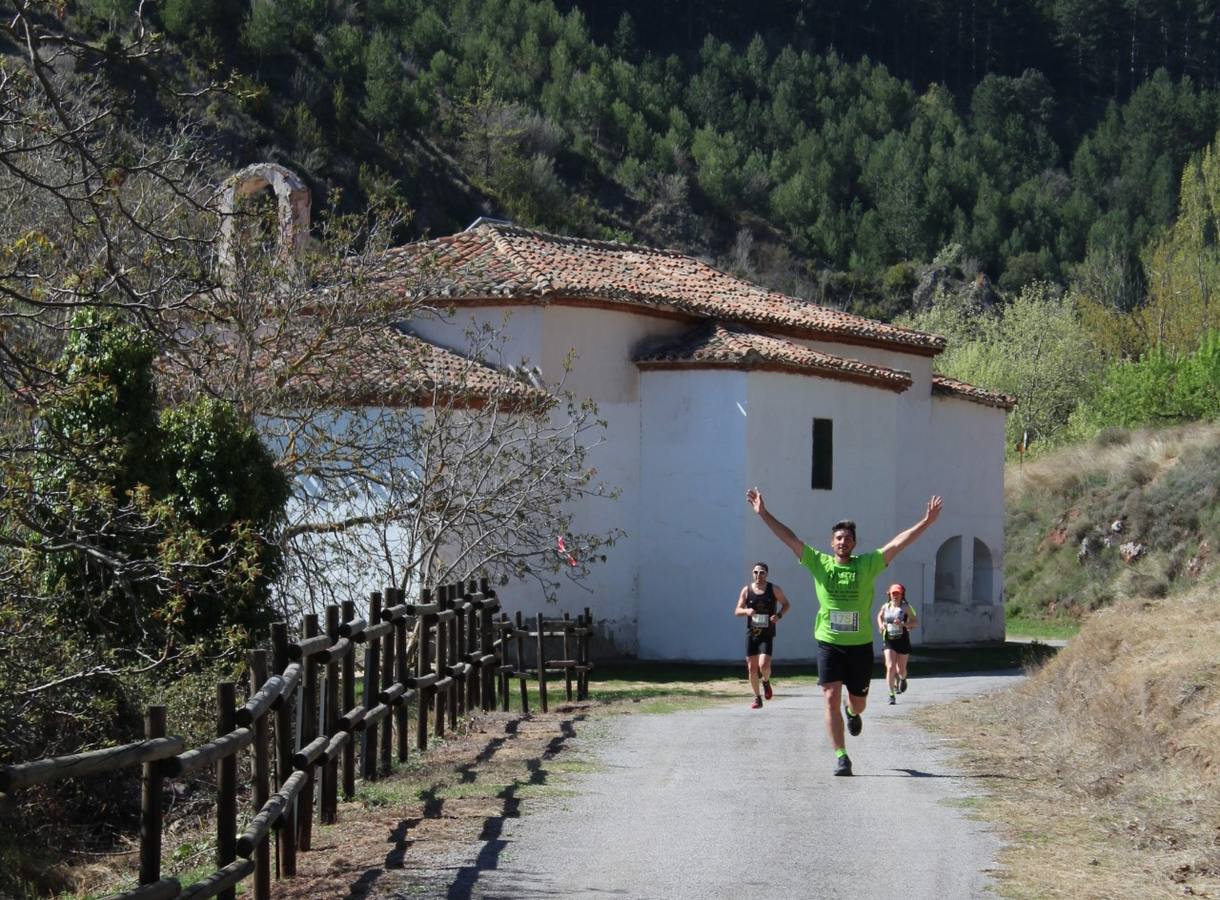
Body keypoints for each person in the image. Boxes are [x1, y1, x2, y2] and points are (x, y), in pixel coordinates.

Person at [746, 487, 943, 776]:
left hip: (860, 645)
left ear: (854, 543)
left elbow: (898, 544)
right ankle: (841, 756)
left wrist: (925, 522)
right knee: (829, 696)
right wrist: (763, 513)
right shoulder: (819, 563)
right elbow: (790, 539)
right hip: (828, 642)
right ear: (832, 542)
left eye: (848, 538)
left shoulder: (867, 564)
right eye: (839, 538)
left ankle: (852, 713)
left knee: (858, 703)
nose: (843, 542)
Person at [734, 562, 791, 708]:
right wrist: (746, 611)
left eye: (762, 572)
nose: (758, 575)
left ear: (767, 574)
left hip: (767, 634)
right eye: (755, 572)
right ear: (752, 573)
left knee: (764, 665)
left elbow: (786, 604)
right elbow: (737, 610)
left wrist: (778, 615)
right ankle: (757, 698)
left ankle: (766, 681)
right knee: (752, 668)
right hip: (751, 634)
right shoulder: (746, 590)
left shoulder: (774, 589)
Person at [876, 583, 918, 704]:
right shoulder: (885, 607)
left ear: (902, 594)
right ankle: (891, 695)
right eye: (893, 593)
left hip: (902, 640)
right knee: (890, 667)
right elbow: (879, 616)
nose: (895, 596)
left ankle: (903, 678)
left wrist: (904, 625)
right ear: (889, 594)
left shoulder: (905, 607)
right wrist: (881, 625)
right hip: (889, 640)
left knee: (901, 670)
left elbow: (915, 622)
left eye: (898, 593)